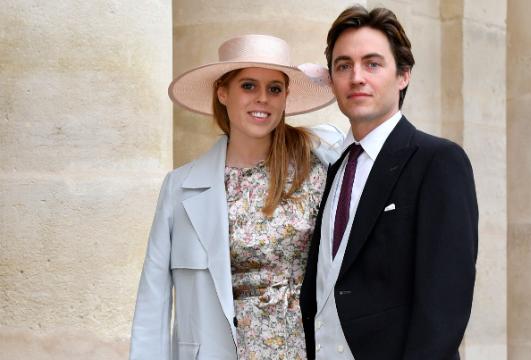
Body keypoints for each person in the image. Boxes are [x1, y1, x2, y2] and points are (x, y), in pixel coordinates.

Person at [130, 34, 343, 360]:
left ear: (286, 96)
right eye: (248, 86)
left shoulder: (318, 164)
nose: (263, 99)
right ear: (223, 92)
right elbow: (153, 300)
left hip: (305, 348)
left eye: (274, 88)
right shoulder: (180, 186)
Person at [300, 5, 479, 360]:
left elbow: (444, 308)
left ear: (403, 76)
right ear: (332, 80)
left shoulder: (438, 161)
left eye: (373, 63)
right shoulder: (333, 167)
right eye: (343, 65)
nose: (357, 77)